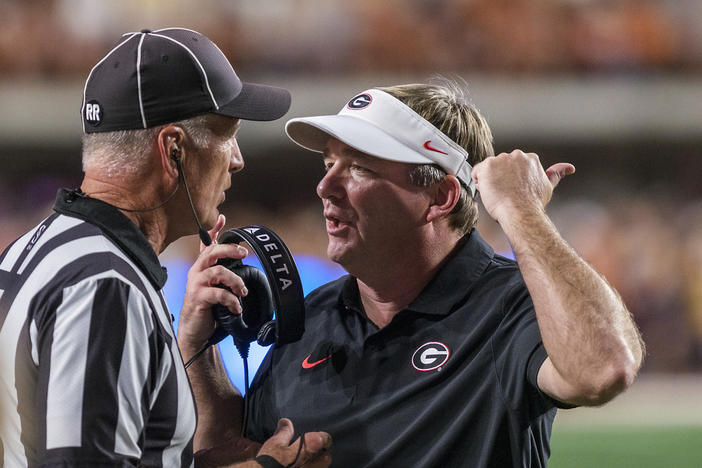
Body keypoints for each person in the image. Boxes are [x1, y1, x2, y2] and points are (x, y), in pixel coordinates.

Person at [179, 80, 644, 467]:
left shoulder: (510, 306)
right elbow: (227, 456)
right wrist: (198, 352)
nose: (325, 186)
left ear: (441, 197)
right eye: (328, 164)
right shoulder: (305, 321)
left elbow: (603, 370)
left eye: (359, 167)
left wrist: (522, 211)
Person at [0, 28, 331, 468]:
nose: (237, 158)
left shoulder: (35, 249)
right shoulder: (104, 285)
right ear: (173, 149)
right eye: (227, 135)